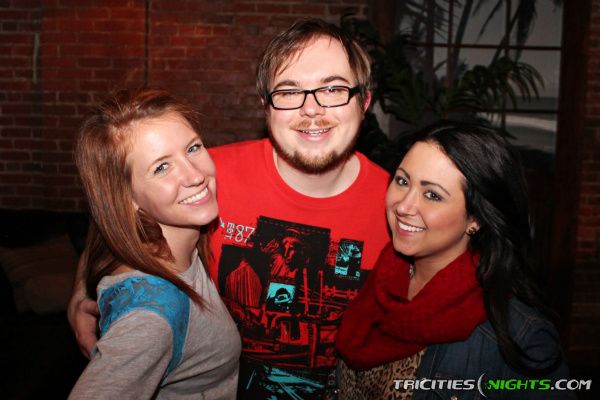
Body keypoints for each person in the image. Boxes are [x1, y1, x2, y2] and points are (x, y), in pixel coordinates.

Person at [69, 18, 391, 400]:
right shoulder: (204, 178)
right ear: (266, 107)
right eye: (289, 92)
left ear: (364, 101)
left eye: (333, 89)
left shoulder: (400, 209)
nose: (312, 109)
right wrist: (80, 292)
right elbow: (118, 214)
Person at [335, 120, 573, 399]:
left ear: (476, 219)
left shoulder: (520, 336)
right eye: (402, 181)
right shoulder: (375, 283)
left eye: (432, 195)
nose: (404, 206)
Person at [69, 88, 241, 399]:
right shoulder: (150, 313)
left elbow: (103, 226)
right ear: (128, 197)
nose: (195, 175)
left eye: (193, 148)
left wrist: (79, 292)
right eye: (161, 167)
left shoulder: (175, 243)